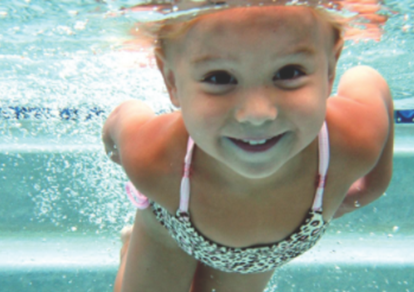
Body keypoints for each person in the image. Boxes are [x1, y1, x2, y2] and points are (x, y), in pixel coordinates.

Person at [102, 2, 393, 291]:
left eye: (289, 72)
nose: (257, 114)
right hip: (170, 227)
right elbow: (122, 123)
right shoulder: (152, 157)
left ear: (330, 69)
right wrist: (116, 143)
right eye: (219, 78)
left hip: (254, 259)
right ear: (172, 82)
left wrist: (375, 185)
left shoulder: (354, 140)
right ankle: (131, 248)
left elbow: (370, 81)